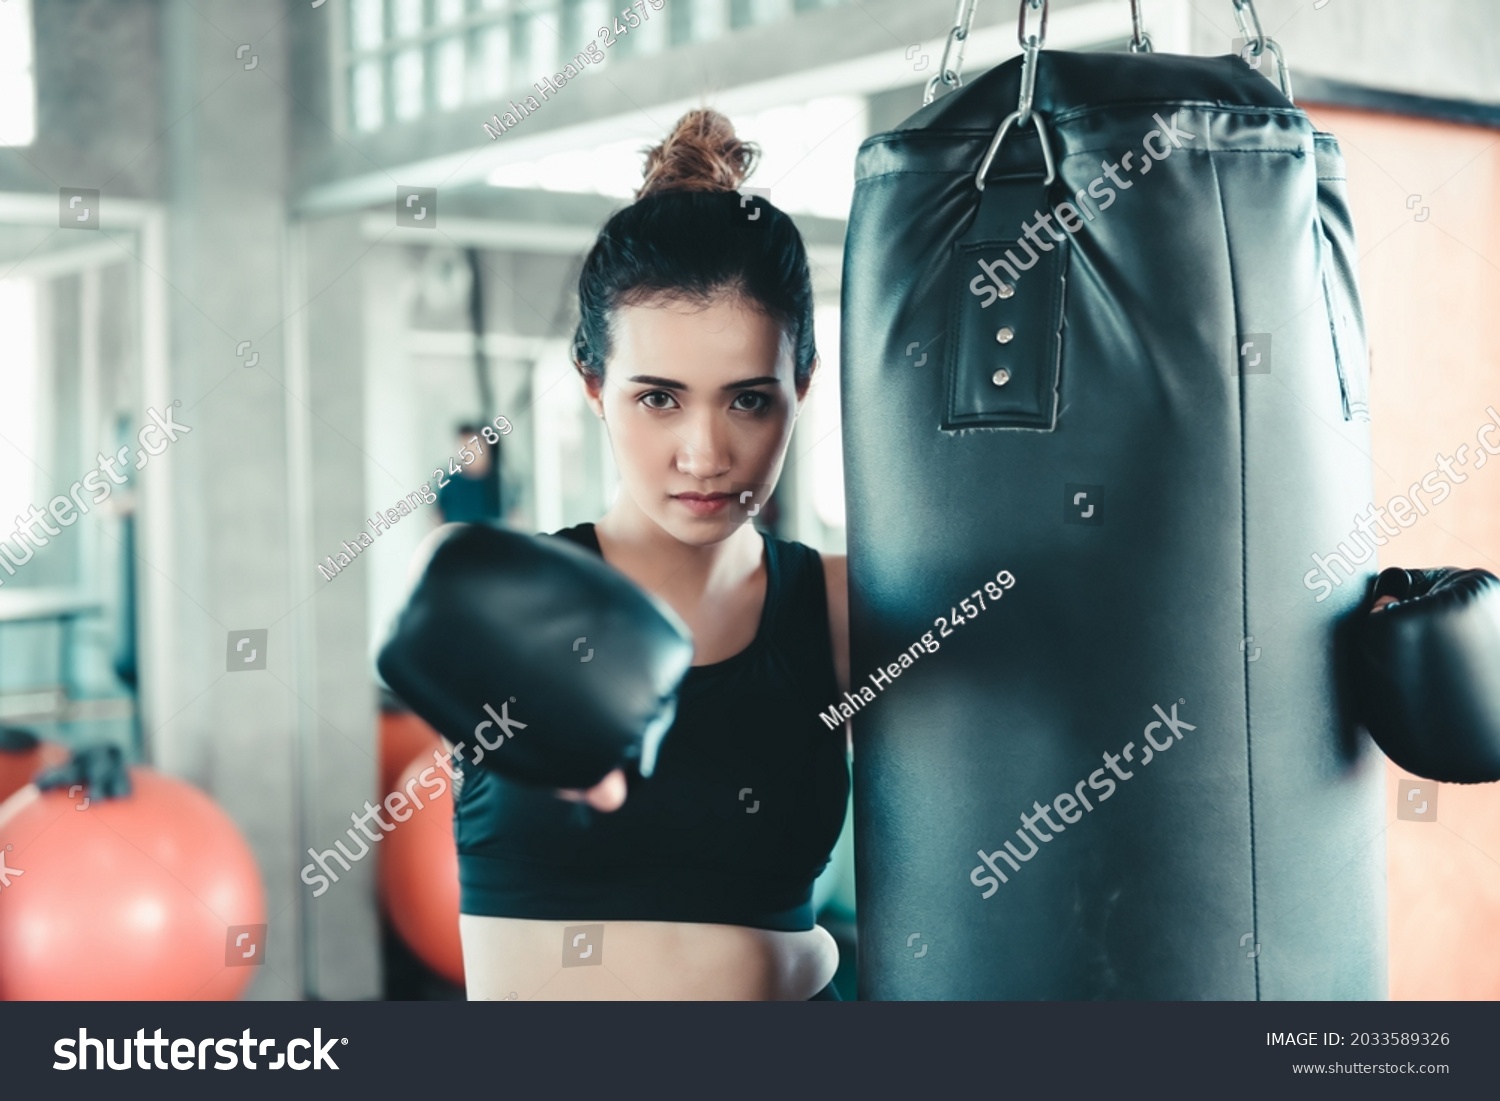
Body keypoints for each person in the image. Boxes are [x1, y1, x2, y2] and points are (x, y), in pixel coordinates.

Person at [445, 108, 852, 1001]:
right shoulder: (513, 602)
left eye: (748, 400)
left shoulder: (838, 611)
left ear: (803, 389)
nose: (704, 454)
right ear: (593, 385)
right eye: (659, 398)